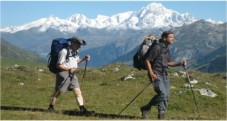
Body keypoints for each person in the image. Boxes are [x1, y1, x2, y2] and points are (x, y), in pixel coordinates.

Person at [140, 31, 187, 119]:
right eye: (171, 37)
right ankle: (146, 108)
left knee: (167, 96)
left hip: (164, 74)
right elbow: (147, 60)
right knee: (163, 94)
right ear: (164, 38)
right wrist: (151, 73)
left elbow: (169, 62)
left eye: (173, 37)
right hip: (156, 74)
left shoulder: (166, 48)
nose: (173, 39)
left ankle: (161, 115)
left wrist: (180, 63)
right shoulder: (157, 47)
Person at [48, 36, 94, 115]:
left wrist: (83, 59)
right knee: (58, 92)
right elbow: (58, 65)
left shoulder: (76, 52)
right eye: (78, 44)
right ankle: (51, 107)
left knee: (78, 92)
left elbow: (75, 62)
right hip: (63, 74)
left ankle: (82, 110)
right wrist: (69, 70)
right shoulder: (64, 51)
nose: (79, 46)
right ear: (73, 43)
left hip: (72, 74)